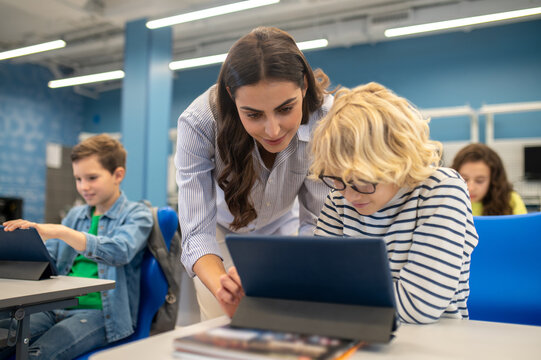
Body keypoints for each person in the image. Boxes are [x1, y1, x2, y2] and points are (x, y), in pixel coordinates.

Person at [175, 26, 334, 320]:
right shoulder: (198, 123)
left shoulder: (325, 118)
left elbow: (318, 221)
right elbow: (197, 233)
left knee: (290, 318)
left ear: (304, 87)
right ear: (231, 97)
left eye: (286, 109)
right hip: (222, 235)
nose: (273, 130)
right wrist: (223, 288)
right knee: (223, 323)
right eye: (253, 115)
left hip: (283, 229)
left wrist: (297, 276)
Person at [308, 82, 479, 324]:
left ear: (398, 161)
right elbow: (316, 288)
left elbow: (417, 307)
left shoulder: (440, 190)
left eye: (362, 181)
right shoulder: (339, 199)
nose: (350, 195)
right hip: (358, 336)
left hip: (434, 344)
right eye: (337, 180)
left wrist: (339, 291)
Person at [0, 134, 153, 360]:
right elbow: (49, 259)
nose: (84, 187)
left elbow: (119, 251)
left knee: (35, 356)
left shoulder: (138, 214)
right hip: (55, 308)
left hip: (100, 313)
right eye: (78, 179)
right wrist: (22, 248)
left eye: (92, 177)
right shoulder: (75, 215)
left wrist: (60, 231)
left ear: (117, 175)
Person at [451, 143, 527, 216]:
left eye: (479, 181)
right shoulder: (446, 199)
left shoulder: (510, 200)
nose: (471, 188)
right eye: (464, 179)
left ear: (493, 180)